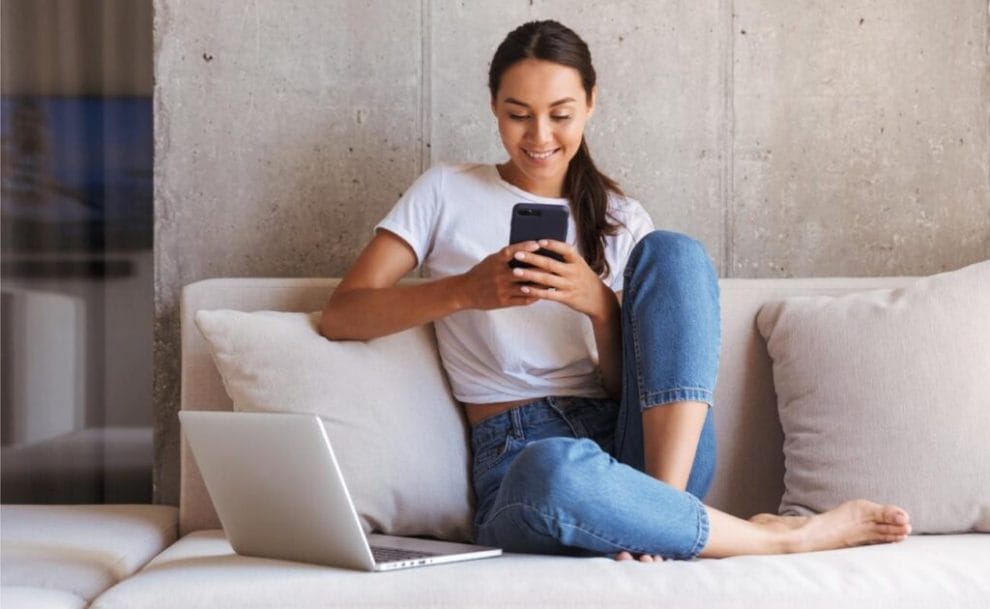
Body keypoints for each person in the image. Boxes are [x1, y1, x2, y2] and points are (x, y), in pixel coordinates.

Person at [320, 19, 911, 562]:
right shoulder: (445, 190)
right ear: (494, 108)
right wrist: (468, 290)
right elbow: (343, 315)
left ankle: (657, 514)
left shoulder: (624, 219)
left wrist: (599, 306)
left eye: (561, 113)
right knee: (554, 468)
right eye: (518, 113)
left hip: (650, 454)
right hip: (523, 460)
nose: (539, 135)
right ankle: (768, 536)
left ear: (591, 105)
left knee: (677, 252)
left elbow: (637, 384)